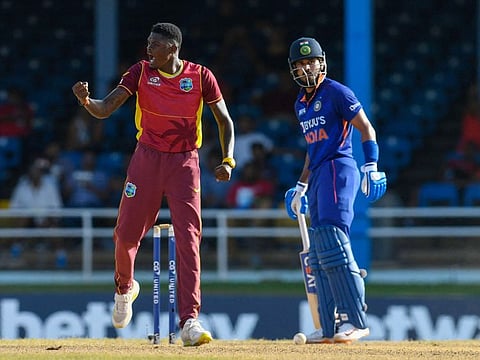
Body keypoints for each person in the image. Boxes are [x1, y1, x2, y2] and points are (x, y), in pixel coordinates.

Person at [72, 22, 235, 346]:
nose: (148, 50)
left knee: (188, 239)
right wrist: (86, 101)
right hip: (146, 159)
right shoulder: (140, 72)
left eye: (155, 45)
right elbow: (105, 108)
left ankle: (189, 320)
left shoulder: (200, 76)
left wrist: (228, 159)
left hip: (185, 163)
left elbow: (224, 120)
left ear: (172, 48)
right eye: (148, 44)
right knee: (125, 234)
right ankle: (125, 289)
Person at [284, 37, 387, 344]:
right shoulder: (300, 104)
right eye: (299, 65)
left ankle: (355, 321)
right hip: (317, 174)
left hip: (339, 169)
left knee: (332, 241)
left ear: (321, 62)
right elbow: (311, 146)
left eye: (310, 62)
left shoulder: (337, 92)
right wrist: (301, 186)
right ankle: (329, 327)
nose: (306, 68)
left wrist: (372, 165)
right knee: (317, 251)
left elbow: (366, 127)